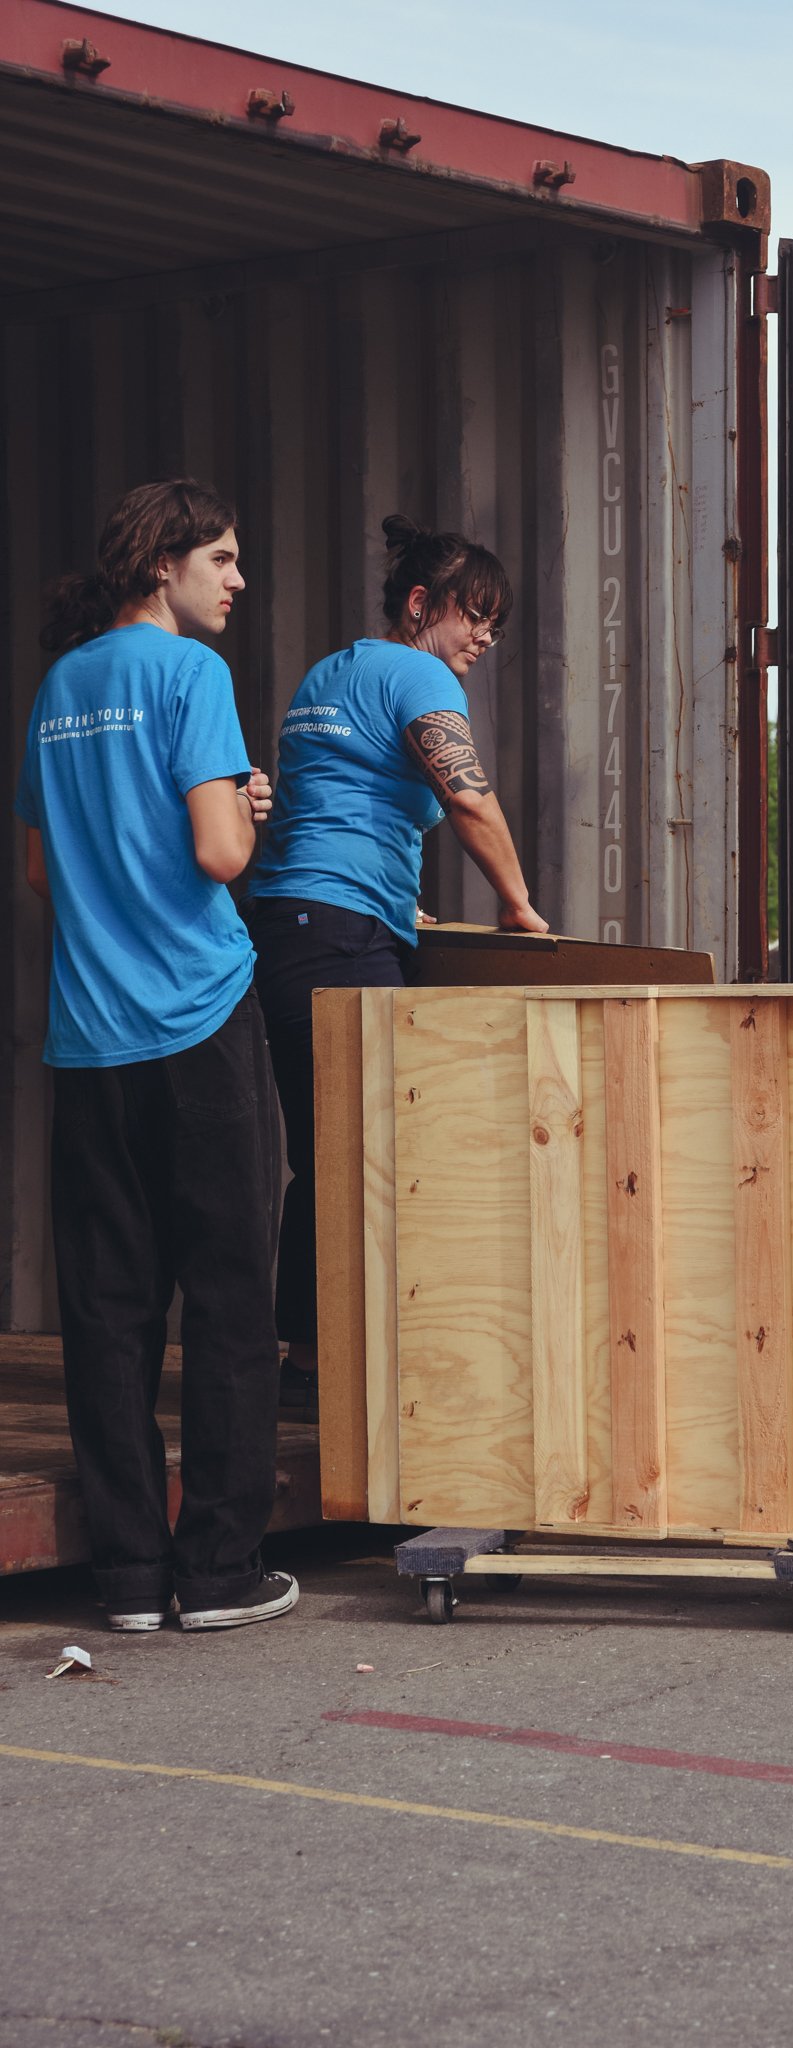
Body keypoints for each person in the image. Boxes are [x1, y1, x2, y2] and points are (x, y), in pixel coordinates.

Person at [15, 479, 298, 1633]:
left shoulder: (57, 684)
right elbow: (223, 852)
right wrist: (242, 807)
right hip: (197, 1019)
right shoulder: (191, 675)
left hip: (90, 1041)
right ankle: (220, 1572)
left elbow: (41, 874)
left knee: (109, 1305)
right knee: (230, 1297)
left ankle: (129, 1577)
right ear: (162, 563)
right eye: (222, 560)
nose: (236, 581)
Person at [249, 516, 547, 1410]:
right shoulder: (416, 673)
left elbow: (333, 805)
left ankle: (306, 1364)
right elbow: (466, 794)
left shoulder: (327, 675)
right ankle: (342, 1366)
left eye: (497, 623)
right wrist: (519, 906)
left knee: (331, 1149)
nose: (485, 636)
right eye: (474, 614)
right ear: (421, 605)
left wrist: (390, 896)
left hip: (294, 927)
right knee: (371, 1149)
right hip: (338, 934)